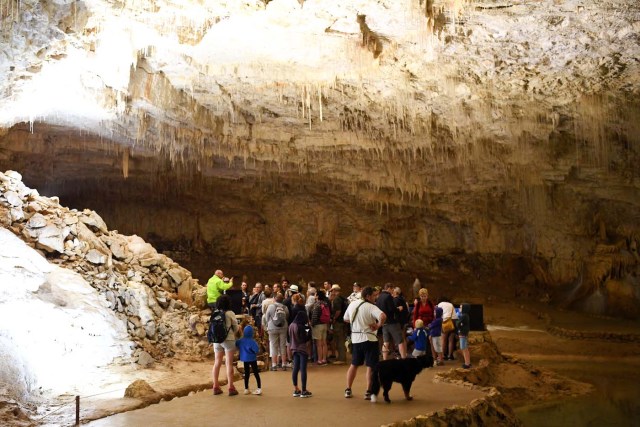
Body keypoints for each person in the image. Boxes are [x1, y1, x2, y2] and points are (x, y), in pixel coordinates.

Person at [343, 286, 386, 400]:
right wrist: (377, 325)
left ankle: (348, 389)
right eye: (374, 295)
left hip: (356, 339)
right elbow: (383, 316)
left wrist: (357, 323)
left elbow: (346, 318)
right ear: (368, 296)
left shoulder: (352, 304)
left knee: (354, 364)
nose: (375, 298)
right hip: (369, 338)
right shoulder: (371, 307)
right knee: (370, 366)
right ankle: (368, 391)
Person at [212, 295, 240, 396]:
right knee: (229, 363)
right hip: (228, 339)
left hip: (216, 340)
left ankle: (215, 386)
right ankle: (231, 387)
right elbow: (236, 328)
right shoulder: (230, 313)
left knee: (217, 362)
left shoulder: (215, 313)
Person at [376, 283, 407, 359]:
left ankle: (385, 359)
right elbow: (391, 309)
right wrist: (398, 308)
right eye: (392, 289)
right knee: (400, 341)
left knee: (385, 342)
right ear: (389, 288)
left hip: (384, 323)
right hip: (392, 322)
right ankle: (404, 359)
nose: (392, 291)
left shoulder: (379, 297)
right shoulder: (388, 296)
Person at [263, 293, 289, 371]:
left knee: (274, 346)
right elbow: (287, 317)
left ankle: (274, 365)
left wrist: (269, 324)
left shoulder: (271, 306)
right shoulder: (285, 307)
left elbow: (266, 318)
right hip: (283, 328)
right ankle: (284, 364)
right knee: (283, 345)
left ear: (274, 298)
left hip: (272, 328)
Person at [289, 311, 312, 398]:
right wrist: (309, 331)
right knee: (303, 370)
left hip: (294, 349)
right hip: (302, 350)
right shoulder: (301, 326)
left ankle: (296, 389)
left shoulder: (291, 325)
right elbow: (304, 339)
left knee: (295, 369)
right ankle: (304, 390)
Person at [236, 325, 262, 395]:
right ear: (252, 333)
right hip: (252, 359)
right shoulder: (252, 341)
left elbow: (236, 343)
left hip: (245, 359)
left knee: (246, 373)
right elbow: (256, 350)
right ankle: (259, 388)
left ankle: (246, 389)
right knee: (256, 373)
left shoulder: (241, 340)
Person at [310, 290, 330, 365]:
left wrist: (312, 324)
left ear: (318, 296)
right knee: (324, 343)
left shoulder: (317, 305)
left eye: (315, 295)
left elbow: (314, 317)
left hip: (318, 326)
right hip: (325, 324)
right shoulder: (325, 304)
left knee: (319, 344)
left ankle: (319, 360)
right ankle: (324, 359)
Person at [330, 284, 348, 364]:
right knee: (342, 340)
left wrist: (334, 318)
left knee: (339, 340)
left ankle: (341, 359)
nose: (331, 293)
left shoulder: (337, 299)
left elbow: (338, 311)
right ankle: (341, 357)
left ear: (334, 290)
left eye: (332, 291)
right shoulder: (344, 298)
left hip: (339, 322)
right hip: (344, 321)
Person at [457, 303, 472, 369]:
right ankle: (468, 362)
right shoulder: (466, 315)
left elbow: (458, 323)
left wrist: (459, 324)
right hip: (464, 333)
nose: (459, 309)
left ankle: (467, 364)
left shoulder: (463, 316)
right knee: (465, 348)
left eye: (461, 307)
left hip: (462, 333)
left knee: (463, 348)